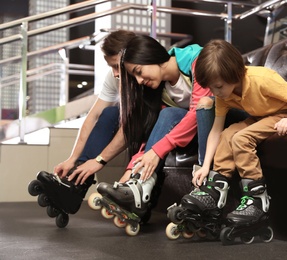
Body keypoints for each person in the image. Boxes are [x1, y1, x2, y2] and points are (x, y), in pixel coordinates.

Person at [185, 39, 287, 233]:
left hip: (282, 114)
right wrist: (206, 167)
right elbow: (216, 130)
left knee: (240, 138)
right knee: (227, 134)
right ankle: (216, 189)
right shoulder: (225, 95)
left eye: (218, 86)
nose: (215, 93)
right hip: (259, 117)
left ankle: (257, 199)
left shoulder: (261, 78)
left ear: (235, 74)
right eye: (212, 88)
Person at [96, 35, 215, 223]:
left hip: (224, 118)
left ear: (150, 56)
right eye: (135, 77)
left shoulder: (197, 59)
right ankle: (138, 186)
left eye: (139, 71)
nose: (139, 80)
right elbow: (155, 130)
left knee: (195, 108)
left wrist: (157, 151)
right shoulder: (160, 90)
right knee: (168, 115)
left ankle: (205, 190)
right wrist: (133, 168)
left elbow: (198, 110)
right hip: (196, 131)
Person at [28, 30, 136, 224]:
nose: (115, 73)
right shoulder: (115, 77)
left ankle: (76, 184)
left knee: (115, 113)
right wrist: (73, 159)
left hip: (151, 123)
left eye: (117, 66)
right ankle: (75, 183)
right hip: (132, 123)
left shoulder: (142, 76)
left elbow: (132, 126)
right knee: (109, 113)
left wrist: (99, 161)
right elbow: (93, 117)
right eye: (111, 67)